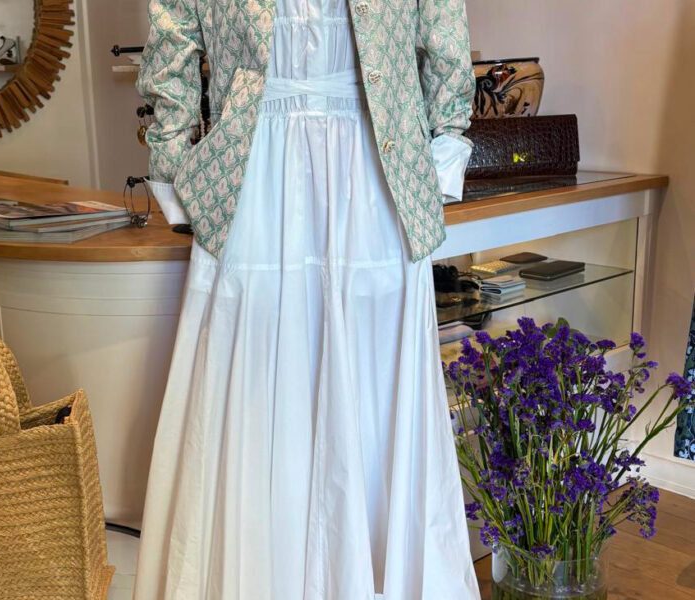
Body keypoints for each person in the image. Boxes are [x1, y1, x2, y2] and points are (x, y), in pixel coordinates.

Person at [134, 0, 481, 597]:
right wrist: (171, 167)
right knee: (253, 378)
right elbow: (173, 42)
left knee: (375, 381)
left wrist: (444, 151)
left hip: (378, 179)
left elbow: (445, 38)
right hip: (251, 176)